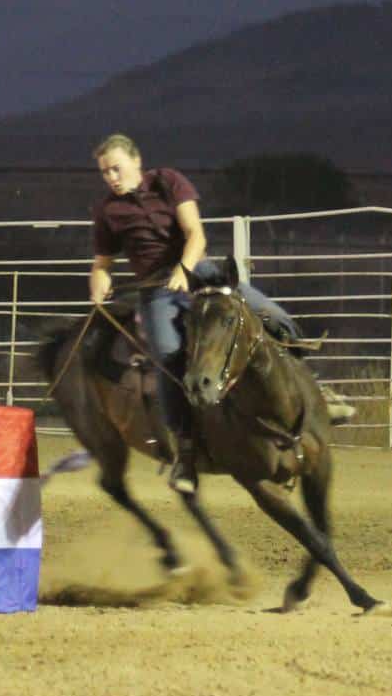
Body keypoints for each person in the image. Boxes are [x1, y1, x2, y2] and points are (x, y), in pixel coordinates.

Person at [88, 132, 303, 493]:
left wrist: (183, 269)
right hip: (155, 290)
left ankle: (312, 394)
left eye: (116, 168)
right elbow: (102, 264)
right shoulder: (109, 212)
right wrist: (98, 280)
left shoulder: (169, 181)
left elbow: (196, 235)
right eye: (105, 172)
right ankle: (185, 451)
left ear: (136, 161)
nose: (111, 177)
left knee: (273, 316)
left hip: (199, 273)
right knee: (169, 358)